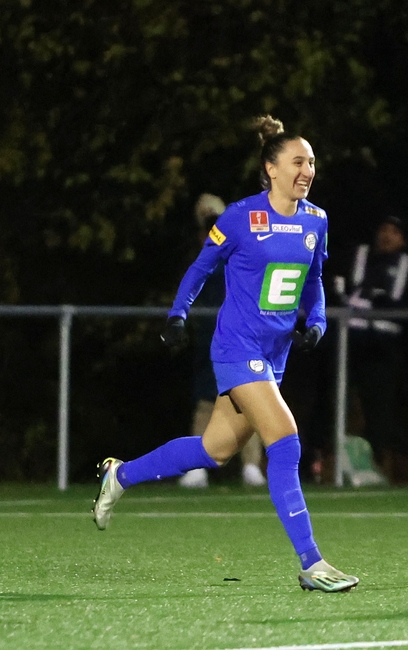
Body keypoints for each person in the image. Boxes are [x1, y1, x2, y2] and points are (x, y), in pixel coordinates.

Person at [91, 115, 359, 593]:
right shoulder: (240, 216)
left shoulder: (316, 220)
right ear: (271, 168)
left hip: (274, 355)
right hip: (237, 348)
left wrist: (316, 321)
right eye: (298, 161)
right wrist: (177, 314)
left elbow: (314, 279)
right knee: (285, 438)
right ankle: (313, 563)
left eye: (312, 162)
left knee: (214, 451)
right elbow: (201, 268)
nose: (308, 170)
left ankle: (121, 475)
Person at [179, 193, 266, 489]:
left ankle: (251, 466)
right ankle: (197, 467)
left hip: (242, 337)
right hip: (211, 337)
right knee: (206, 402)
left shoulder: (241, 256)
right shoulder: (207, 259)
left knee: (249, 400)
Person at [337, 214, 408, 475]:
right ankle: (328, 465)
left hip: (383, 350)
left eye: (394, 232)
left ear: (403, 239)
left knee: (379, 411)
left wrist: (383, 304)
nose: (387, 236)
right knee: (336, 405)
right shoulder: (358, 256)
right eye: (384, 229)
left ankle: (375, 465)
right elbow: (337, 287)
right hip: (348, 346)